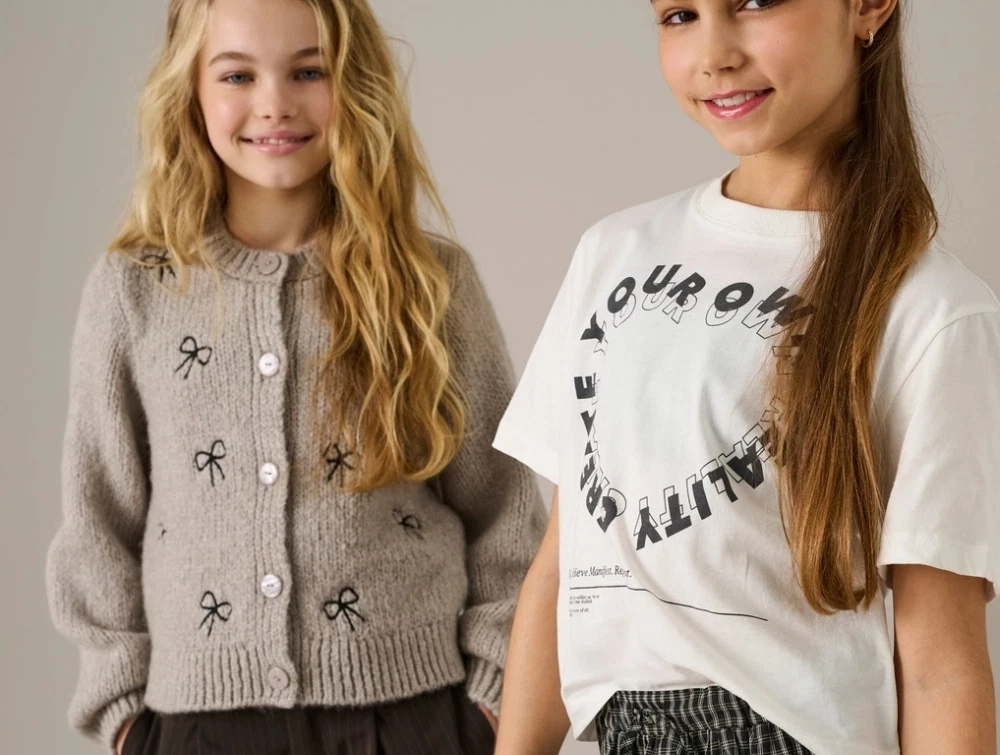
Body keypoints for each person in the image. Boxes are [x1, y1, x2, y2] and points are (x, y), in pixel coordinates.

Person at [492, 1, 998, 753]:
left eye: (756, 2)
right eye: (679, 14)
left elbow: (939, 665)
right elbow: (564, 565)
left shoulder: (930, 310)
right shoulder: (615, 252)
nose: (714, 53)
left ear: (867, 7)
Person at [45, 0, 546, 753]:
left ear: (355, 82)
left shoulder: (429, 282)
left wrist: (491, 702)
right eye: (237, 75)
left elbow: (505, 509)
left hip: (412, 717)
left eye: (309, 72)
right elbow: (98, 517)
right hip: (197, 724)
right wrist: (123, 716)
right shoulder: (135, 290)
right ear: (190, 91)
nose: (274, 103)